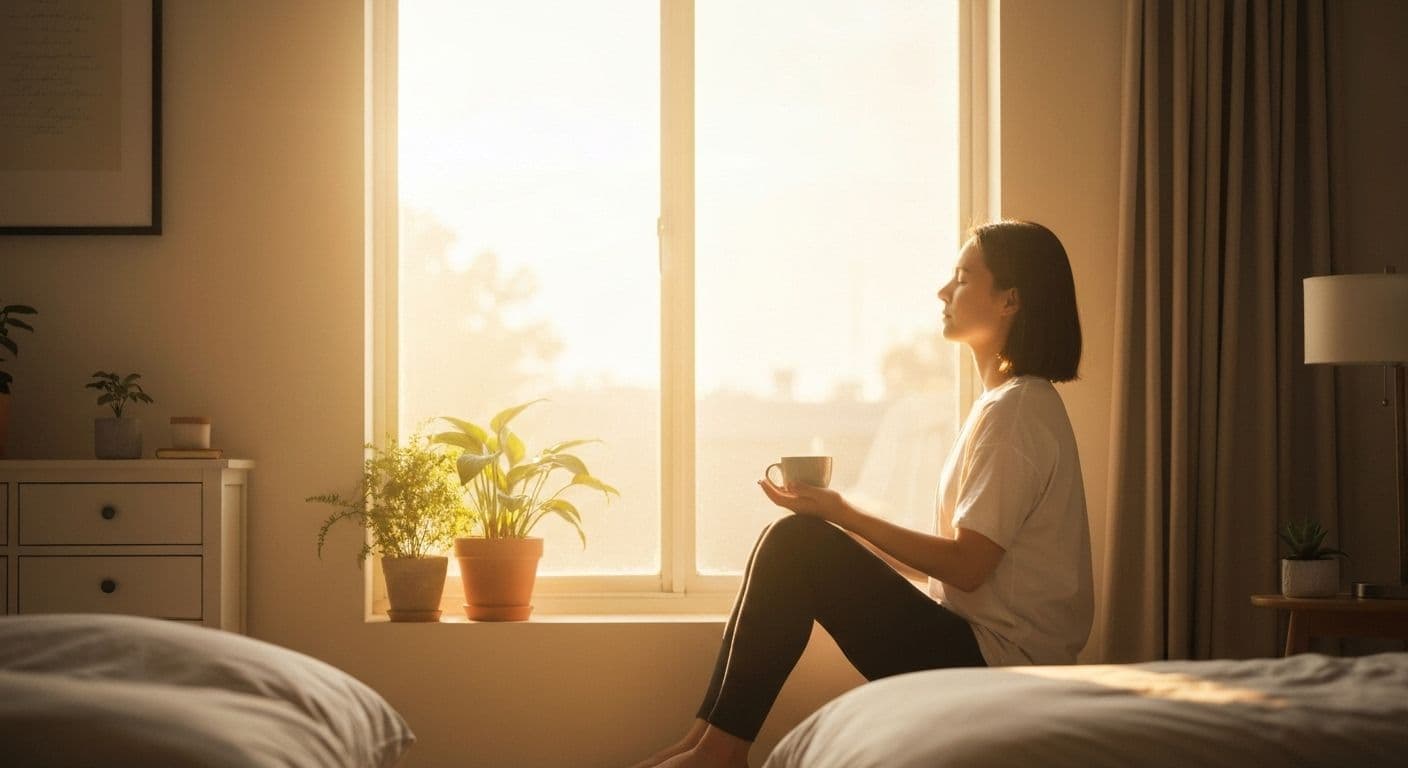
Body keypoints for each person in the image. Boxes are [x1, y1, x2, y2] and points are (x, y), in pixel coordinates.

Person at [628, 220, 1093, 768]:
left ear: (1009, 299)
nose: (944, 292)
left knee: (795, 542)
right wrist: (837, 525)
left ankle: (719, 753)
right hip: (978, 646)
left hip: (999, 666)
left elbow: (967, 567)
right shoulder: (1003, 405)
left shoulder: (1017, 410)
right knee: (792, 541)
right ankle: (702, 743)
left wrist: (843, 514)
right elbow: (958, 569)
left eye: (963, 279)